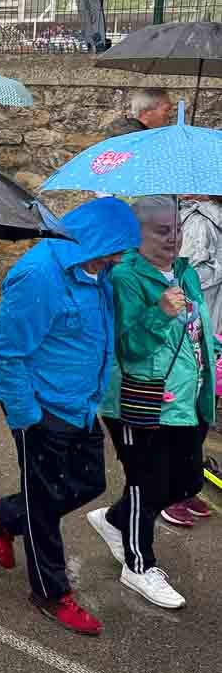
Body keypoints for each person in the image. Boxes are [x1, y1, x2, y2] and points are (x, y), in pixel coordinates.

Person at [0, 197, 140, 637]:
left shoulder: (99, 272)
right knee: (45, 505)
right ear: (95, 238)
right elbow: (5, 352)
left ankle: (2, 515)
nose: (122, 257)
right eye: (118, 247)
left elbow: (100, 335)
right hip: (42, 412)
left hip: (82, 406)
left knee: (90, 483)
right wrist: (28, 417)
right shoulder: (40, 274)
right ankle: (50, 592)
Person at [86, 197, 214, 608]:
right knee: (147, 482)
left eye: (176, 228)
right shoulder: (126, 277)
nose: (173, 237)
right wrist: (159, 311)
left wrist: (214, 352)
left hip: (187, 398)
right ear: (136, 234)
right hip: (140, 399)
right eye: (161, 231)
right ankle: (138, 566)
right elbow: (129, 347)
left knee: (189, 481)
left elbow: (196, 330)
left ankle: (114, 519)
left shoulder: (185, 272)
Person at [179, 195, 222, 339]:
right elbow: (189, 272)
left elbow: (187, 272)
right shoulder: (202, 220)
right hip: (209, 314)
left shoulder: (199, 220)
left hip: (205, 316)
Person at [105, 87, 172, 137]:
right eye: (166, 110)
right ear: (146, 112)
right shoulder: (139, 139)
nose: (170, 114)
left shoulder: (119, 130)